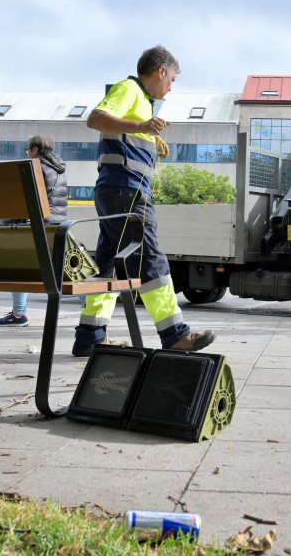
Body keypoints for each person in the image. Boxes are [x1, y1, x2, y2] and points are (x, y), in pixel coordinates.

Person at [72, 45, 216, 357]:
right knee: (150, 257)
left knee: (108, 266)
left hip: (115, 190)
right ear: (161, 71)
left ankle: (90, 337)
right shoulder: (130, 89)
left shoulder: (143, 104)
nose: (171, 86)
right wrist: (142, 127)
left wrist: (151, 137)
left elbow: (124, 134)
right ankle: (175, 334)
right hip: (127, 193)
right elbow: (96, 118)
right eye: (172, 78)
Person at [0, 135, 68, 326]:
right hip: (58, 224)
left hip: (40, 224)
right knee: (62, 270)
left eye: (28, 150)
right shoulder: (59, 168)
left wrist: (5, 221)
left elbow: (24, 199)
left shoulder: (36, 167)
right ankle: (89, 301)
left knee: (17, 267)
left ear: (35, 150)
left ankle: (18, 315)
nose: (28, 153)